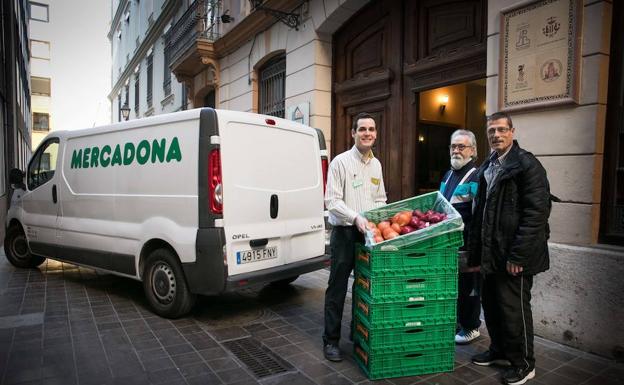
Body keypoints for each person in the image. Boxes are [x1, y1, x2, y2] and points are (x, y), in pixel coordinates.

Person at [468, 111, 551, 385]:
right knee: (491, 307)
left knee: (514, 310)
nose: (496, 135)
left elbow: (536, 215)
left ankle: (524, 364)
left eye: (502, 130)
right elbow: (480, 213)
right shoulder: (487, 166)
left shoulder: (527, 165)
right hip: (492, 255)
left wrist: (519, 256)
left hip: (514, 256)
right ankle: (499, 350)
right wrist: (477, 254)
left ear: (512, 132)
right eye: (492, 130)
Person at [322, 112, 387, 362]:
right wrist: (356, 218)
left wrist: (380, 221)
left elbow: (380, 197)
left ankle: (357, 334)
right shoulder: (340, 162)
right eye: (362, 129)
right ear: (353, 133)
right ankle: (331, 341)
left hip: (368, 233)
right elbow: (332, 201)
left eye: (371, 129)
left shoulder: (376, 164)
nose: (367, 133)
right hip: (345, 233)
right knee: (337, 287)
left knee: (364, 286)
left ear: (375, 133)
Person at [439, 129, 481, 345]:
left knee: (468, 287)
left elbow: (479, 214)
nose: (456, 150)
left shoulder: (477, 176)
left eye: (461, 146)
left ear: (472, 150)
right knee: (454, 287)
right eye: (453, 146)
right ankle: (458, 322)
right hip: (449, 243)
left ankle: (471, 327)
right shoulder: (448, 174)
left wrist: (475, 249)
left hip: (467, 245)